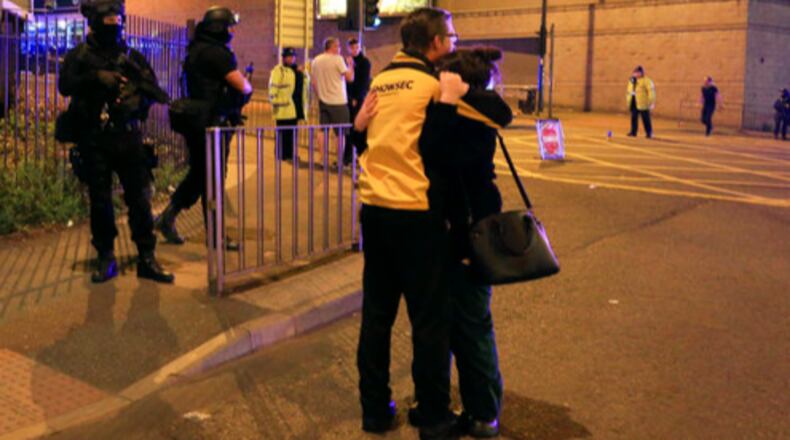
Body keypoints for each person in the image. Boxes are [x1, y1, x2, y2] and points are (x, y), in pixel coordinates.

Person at [351, 7, 511, 440]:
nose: (456, 43)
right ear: (436, 43)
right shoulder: (435, 86)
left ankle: (374, 411)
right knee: (429, 321)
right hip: (418, 216)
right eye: (452, 37)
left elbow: (369, 139)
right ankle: (435, 415)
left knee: (377, 317)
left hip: (375, 212)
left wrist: (355, 130)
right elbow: (483, 126)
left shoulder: (380, 81)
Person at [59, 0, 173, 284]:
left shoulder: (131, 56)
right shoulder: (79, 56)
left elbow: (154, 91)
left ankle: (146, 256)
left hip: (128, 135)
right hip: (94, 137)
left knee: (139, 199)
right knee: (100, 201)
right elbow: (65, 85)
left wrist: (135, 101)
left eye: (117, 19)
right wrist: (96, 77)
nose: (114, 24)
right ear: (95, 22)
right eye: (108, 19)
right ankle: (106, 256)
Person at [155, 6, 252, 248]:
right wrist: (246, 87)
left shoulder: (195, 50)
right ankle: (216, 236)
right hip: (213, 123)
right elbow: (243, 87)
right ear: (219, 28)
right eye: (229, 26)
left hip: (196, 123)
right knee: (214, 180)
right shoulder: (217, 54)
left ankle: (168, 216)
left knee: (200, 175)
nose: (232, 31)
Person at [311, 37, 353, 162]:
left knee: (322, 130)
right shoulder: (338, 59)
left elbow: (314, 82)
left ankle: (322, 158)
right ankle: (339, 160)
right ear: (333, 47)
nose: (339, 49)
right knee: (340, 133)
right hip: (339, 102)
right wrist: (350, 65)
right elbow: (350, 78)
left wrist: (320, 95)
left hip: (323, 100)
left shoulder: (316, 60)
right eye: (338, 46)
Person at [268, 47, 309, 161]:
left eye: (293, 57)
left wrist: (304, 73)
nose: (291, 59)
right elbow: (273, 88)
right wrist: (275, 101)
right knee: (282, 132)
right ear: (284, 58)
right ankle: (281, 154)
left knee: (292, 132)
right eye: (289, 57)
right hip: (283, 107)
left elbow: (306, 84)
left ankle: (290, 154)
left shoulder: (297, 71)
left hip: (294, 107)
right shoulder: (278, 70)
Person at [343, 37, 371, 165]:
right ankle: (348, 156)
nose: (355, 50)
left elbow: (362, 82)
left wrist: (356, 97)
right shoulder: (347, 61)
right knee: (349, 130)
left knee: (358, 128)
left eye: (357, 47)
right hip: (348, 98)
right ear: (348, 48)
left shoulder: (364, 62)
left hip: (358, 98)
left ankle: (359, 155)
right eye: (352, 48)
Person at [626, 66, 656, 138]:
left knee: (646, 119)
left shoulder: (647, 81)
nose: (636, 74)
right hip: (633, 102)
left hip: (643, 102)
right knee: (634, 118)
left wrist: (651, 101)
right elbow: (629, 91)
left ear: (641, 73)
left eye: (637, 73)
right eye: (635, 72)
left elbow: (651, 91)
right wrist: (628, 100)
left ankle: (649, 133)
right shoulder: (632, 81)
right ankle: (633, 132)